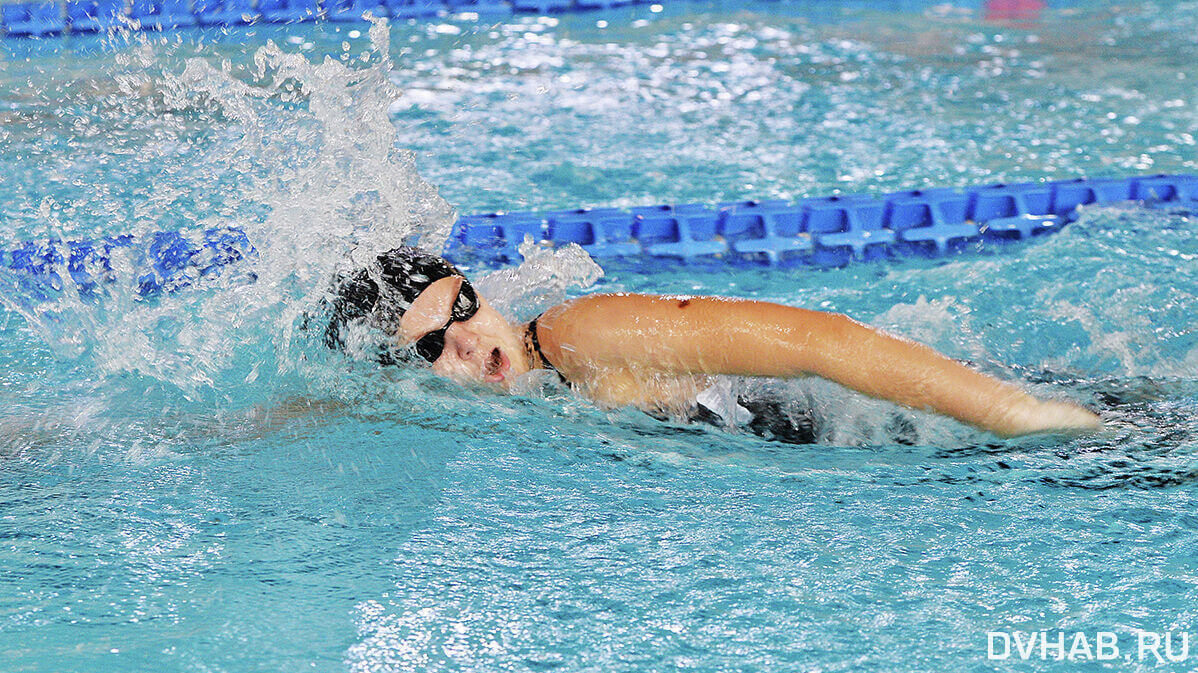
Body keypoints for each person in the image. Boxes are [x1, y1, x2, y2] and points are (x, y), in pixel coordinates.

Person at [322, 246, 1103, 441]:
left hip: (922, 427)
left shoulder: (574, 334)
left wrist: (1012, 410)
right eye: (431, 347)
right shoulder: (524, 391)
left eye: (461, 305)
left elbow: (813, 339)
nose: (466, 342)